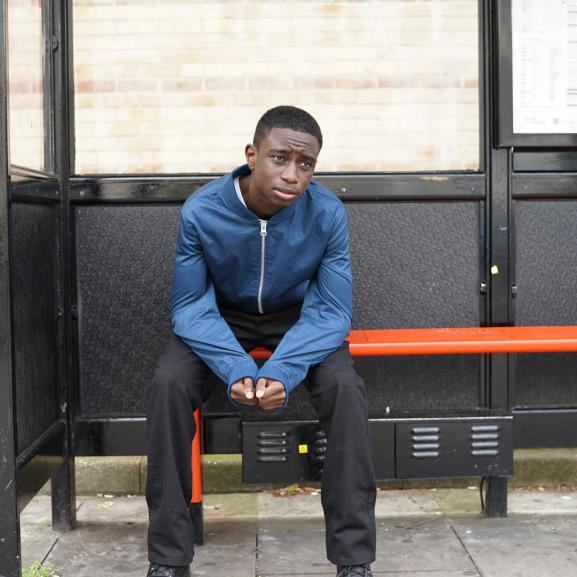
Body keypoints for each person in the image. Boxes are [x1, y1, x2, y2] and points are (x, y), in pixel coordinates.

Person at [145, 105, 376, 577]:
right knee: (168, 383)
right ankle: (168, 560)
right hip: (220, 320)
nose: (292, 174)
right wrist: (235, 368)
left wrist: (280, 372)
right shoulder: (203, 211)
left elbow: (332, 311)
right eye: (279, 158)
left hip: (300, 321)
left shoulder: (327, 213)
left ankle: (354, 561)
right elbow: (189, 306)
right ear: (252, 155)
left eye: (305, 164)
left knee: (345, 390)